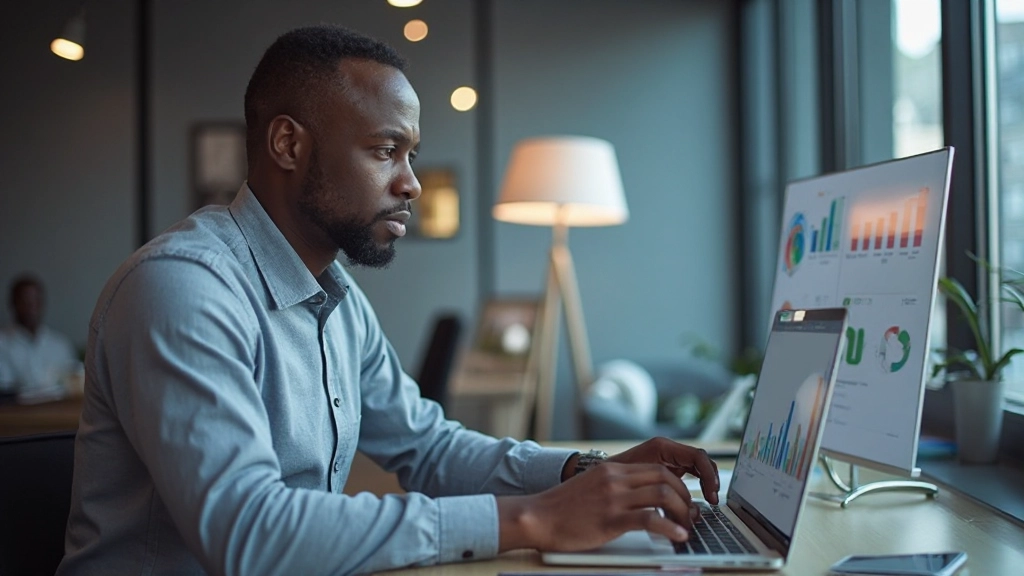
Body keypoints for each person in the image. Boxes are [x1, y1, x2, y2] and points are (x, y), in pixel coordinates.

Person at [56, 25, 720, 575]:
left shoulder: (337, 300)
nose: (412, 184)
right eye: (385, 151)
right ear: (288, 144)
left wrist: (579, 470)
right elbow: (248, 533)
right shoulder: (181, 290)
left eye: (412, 155)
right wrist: (532, 516)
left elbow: (428, 449)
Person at [0, 274, 78, 398]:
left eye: (35, 300)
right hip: (16, 415)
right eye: (24, 300)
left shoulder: (60, 344)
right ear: (13, 303)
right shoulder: (3, 343)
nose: (31, 306)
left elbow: (72, 385)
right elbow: (5, 390)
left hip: (58, 414)